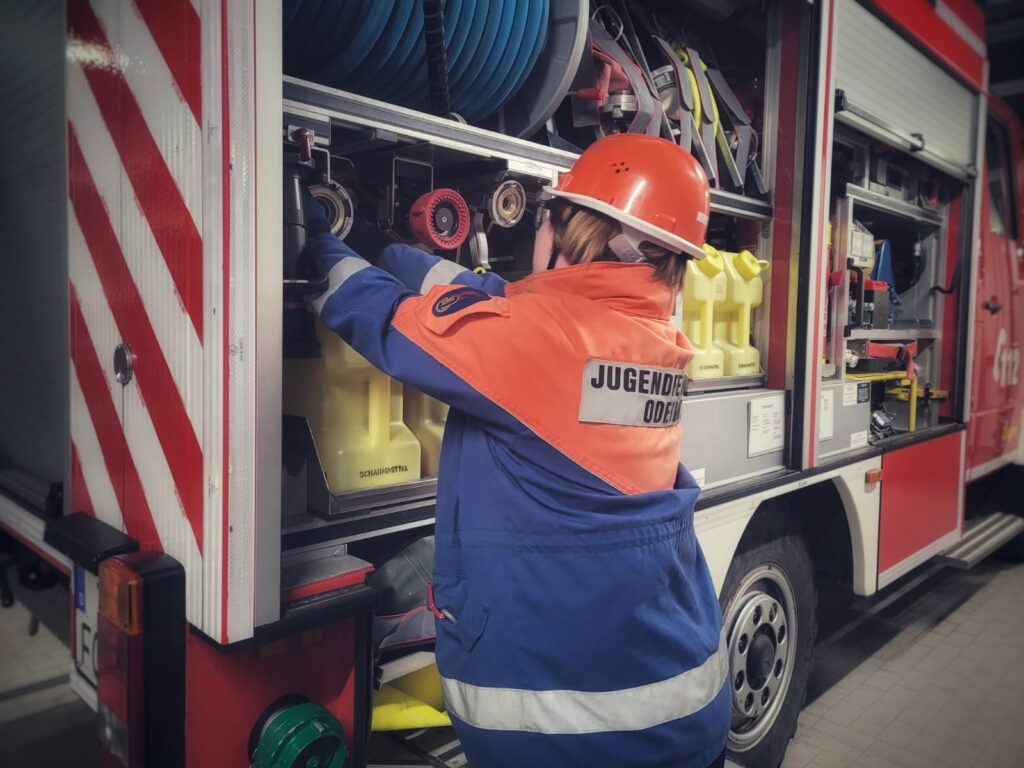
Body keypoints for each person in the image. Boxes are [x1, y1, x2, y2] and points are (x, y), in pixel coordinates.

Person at [303, 133, 730, 768]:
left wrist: (311, 233)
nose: (541, 227)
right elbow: (485, 296)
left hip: (586, 739)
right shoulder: (647, 334)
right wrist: (374, 238)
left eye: (550, 215)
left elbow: (384, 317)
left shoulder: (546, 343)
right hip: (680, 699)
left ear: (587, 233)